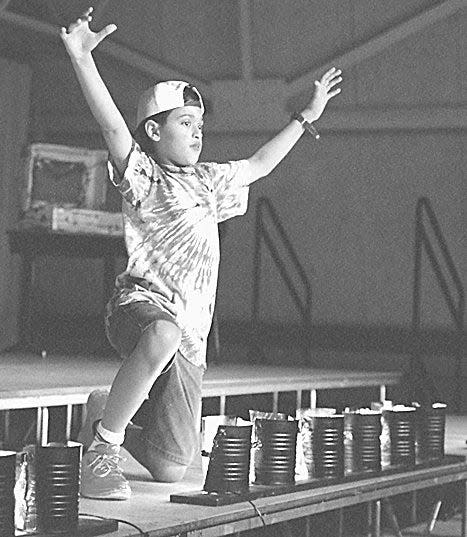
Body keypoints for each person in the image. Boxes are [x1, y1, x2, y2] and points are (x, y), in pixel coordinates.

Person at [60, 7, 342, 500]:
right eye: (186, 122)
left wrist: (305, 118)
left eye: (201, 124)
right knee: (161, 333)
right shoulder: (146, 177)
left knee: (172, 466)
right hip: (140, 309)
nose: (197, 132)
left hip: (189, 339)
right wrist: (84, 60)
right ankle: (101, 450)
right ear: (153, 131)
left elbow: (258, 164)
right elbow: (111, 130)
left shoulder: (210, 181)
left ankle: (105, 408)